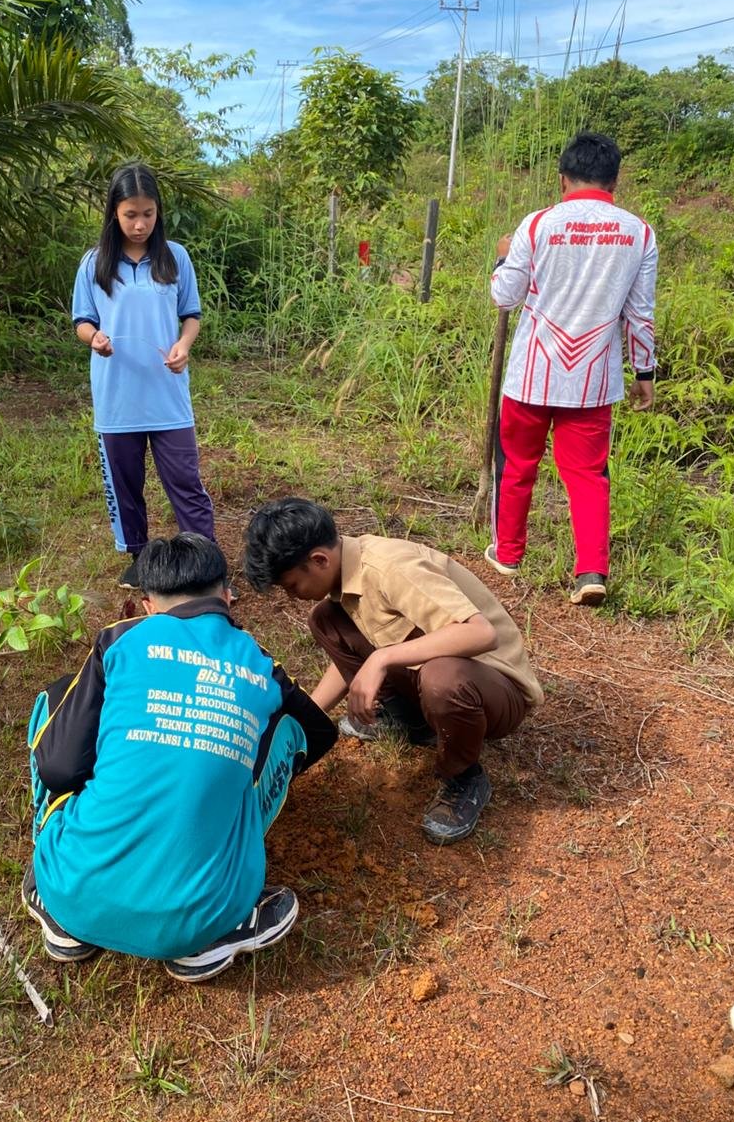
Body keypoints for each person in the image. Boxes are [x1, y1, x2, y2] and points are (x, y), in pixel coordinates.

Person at [21, 533, 337, 982]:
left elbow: (59, 768)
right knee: (284, 729)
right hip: (206, 915)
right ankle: (220, 931)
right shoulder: (259, 662)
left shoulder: (120, 638)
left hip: (69, 891)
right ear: (227, 597)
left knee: (56, 699)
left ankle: (57, 905)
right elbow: (318, 733)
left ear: (148, 605)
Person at [243, 498, 543, 845]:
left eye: (292, 586)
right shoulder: (345, 577)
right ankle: (411, 722)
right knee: (326, 620)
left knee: (442, 679)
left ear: (319, 560)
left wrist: (381, 659)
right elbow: (360, 652)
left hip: (494, 688)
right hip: (439, 673)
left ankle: (464, 777)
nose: (291, 596)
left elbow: (481, 634)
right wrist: (301, 720)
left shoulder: (390, 567)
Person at [488, 131, 658, 607]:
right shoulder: (639, 233)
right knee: (587, 475)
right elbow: (640, 314)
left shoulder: (537, 224)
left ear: (562, 178)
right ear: (615, 180)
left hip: (531, 374)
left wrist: (502, 256)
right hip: (593, 380)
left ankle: (508, 553)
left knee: (517, 465)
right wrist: (645, 374)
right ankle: (590, 572)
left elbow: (504, 296)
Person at [72, 163, 217, 591]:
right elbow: (82, 320)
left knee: (185, 481)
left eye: (148, 214)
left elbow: (191, 315)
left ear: (158, 212)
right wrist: (95, 338)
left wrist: (184, 345)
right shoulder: (94, 263)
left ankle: (206, 560)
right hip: (117, 396)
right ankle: (139, 557)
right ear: (113, 213)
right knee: (125, 482)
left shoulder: (175, 257)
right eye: (130, 215)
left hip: (167, 394)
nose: (140, 224)